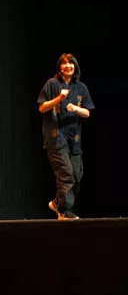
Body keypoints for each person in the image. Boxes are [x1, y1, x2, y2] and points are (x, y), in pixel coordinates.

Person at [37, 53, 94, 220]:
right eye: (64, 64)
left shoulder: (81, 87)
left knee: (77, 175)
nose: (68, 66)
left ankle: (57, 203)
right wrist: (59, 98)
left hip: (74, 139)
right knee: (66, 174)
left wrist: (75, 109)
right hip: (56, 137)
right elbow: (42, 107)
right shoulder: (52, 84)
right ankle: (64, 210)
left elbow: (87, 112)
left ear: (75, 67)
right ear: (59, 68)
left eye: (71, 63)